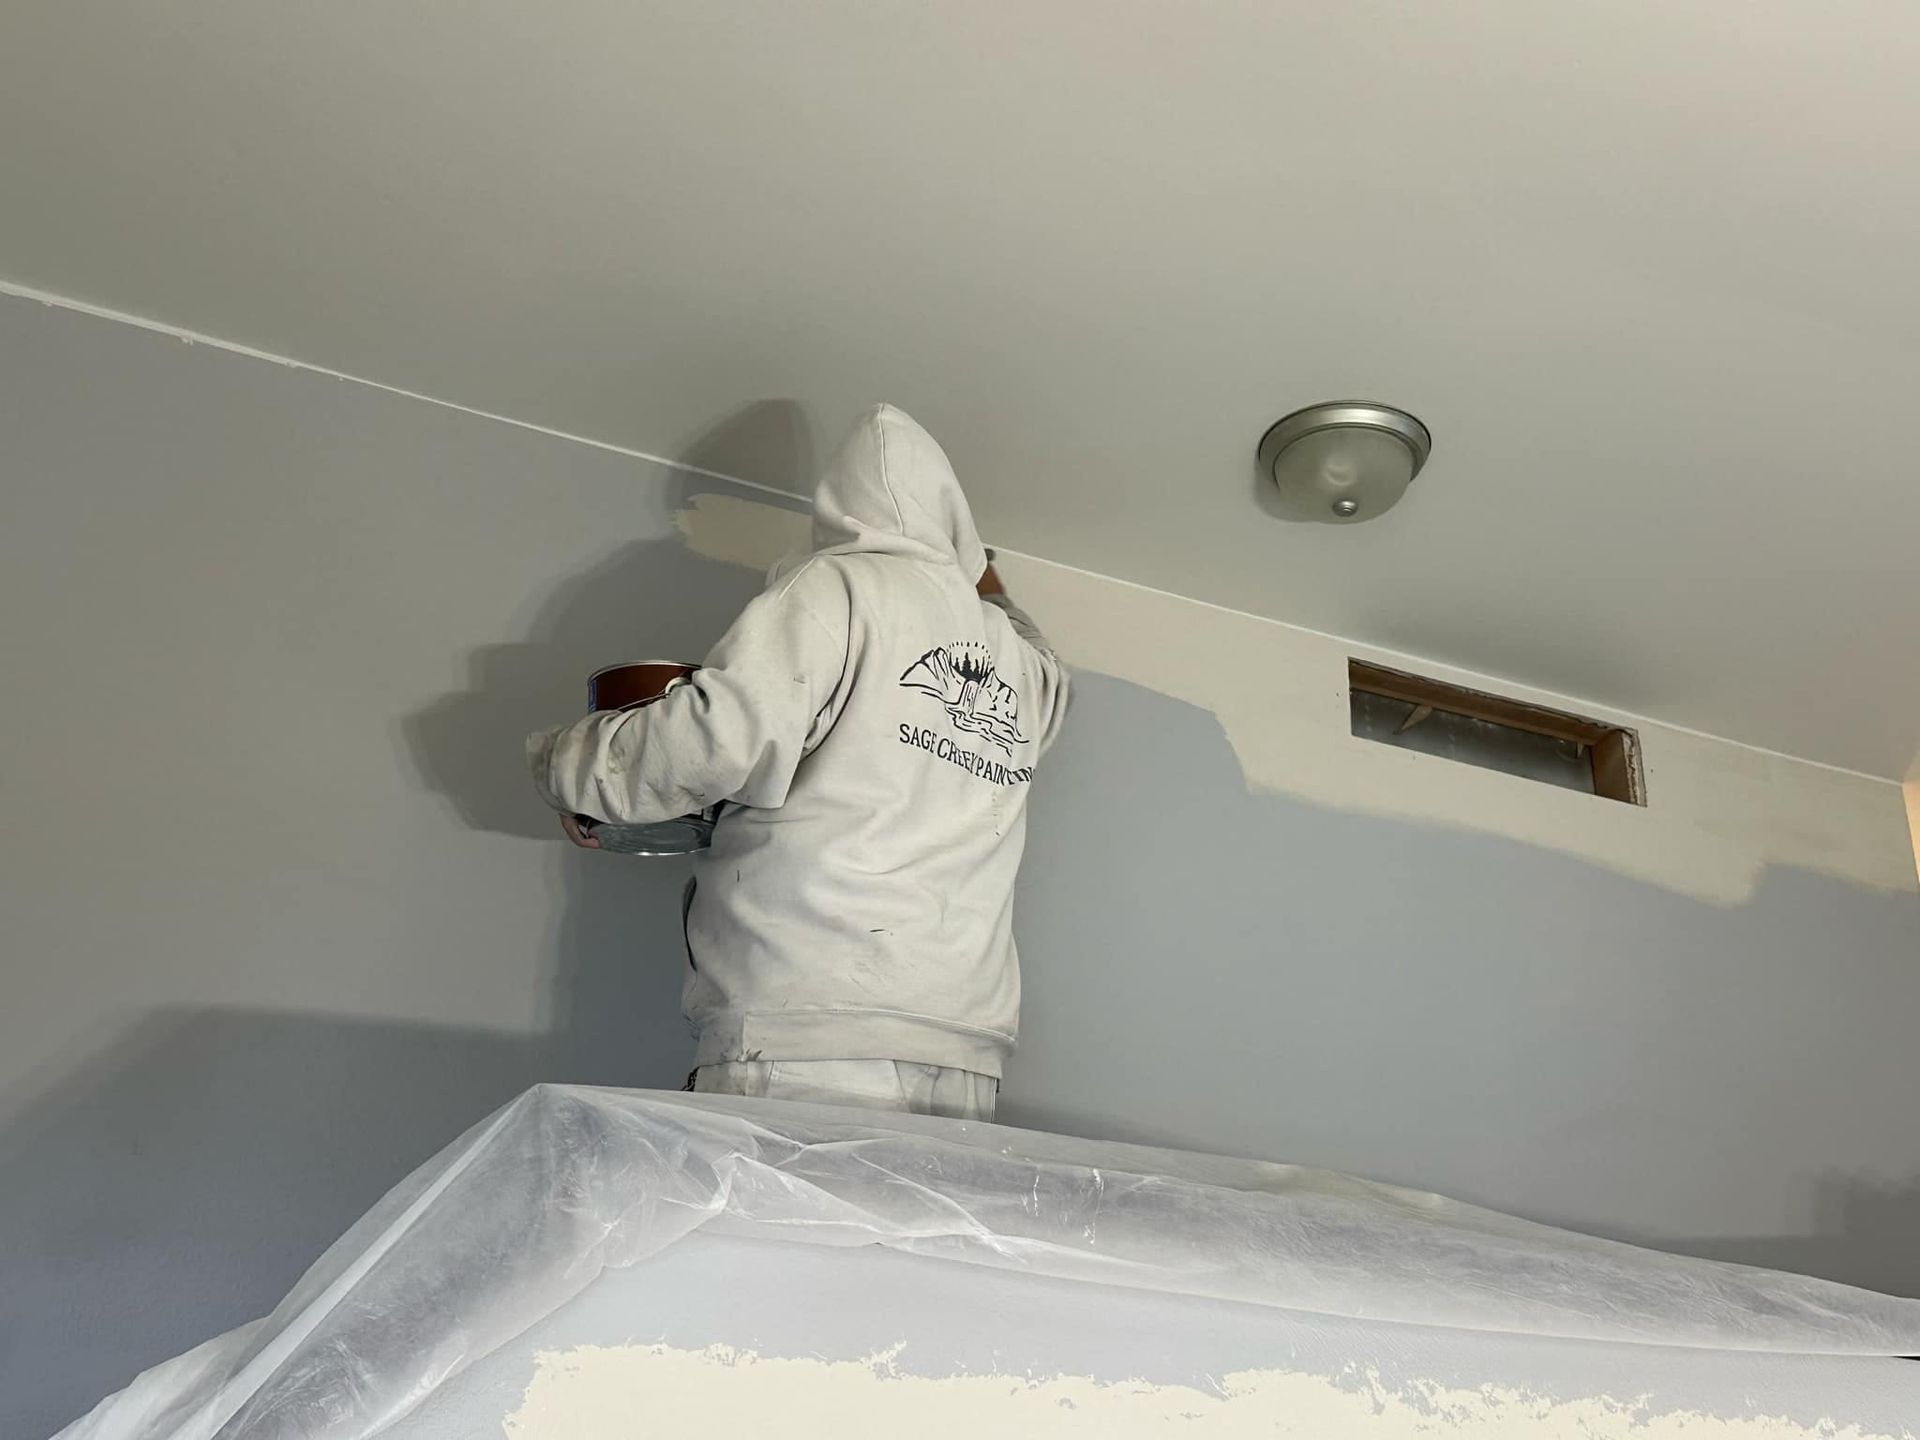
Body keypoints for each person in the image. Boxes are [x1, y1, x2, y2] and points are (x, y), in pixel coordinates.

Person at [526, 405, 1069, 1120]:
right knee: (902, 1235)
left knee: (767, 1231)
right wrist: (978, 573)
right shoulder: (1019, 665)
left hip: (810, 1021)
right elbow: (1041, 653)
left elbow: (712, 740)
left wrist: (561, 765)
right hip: (964, 1045)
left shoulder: (837, 589)